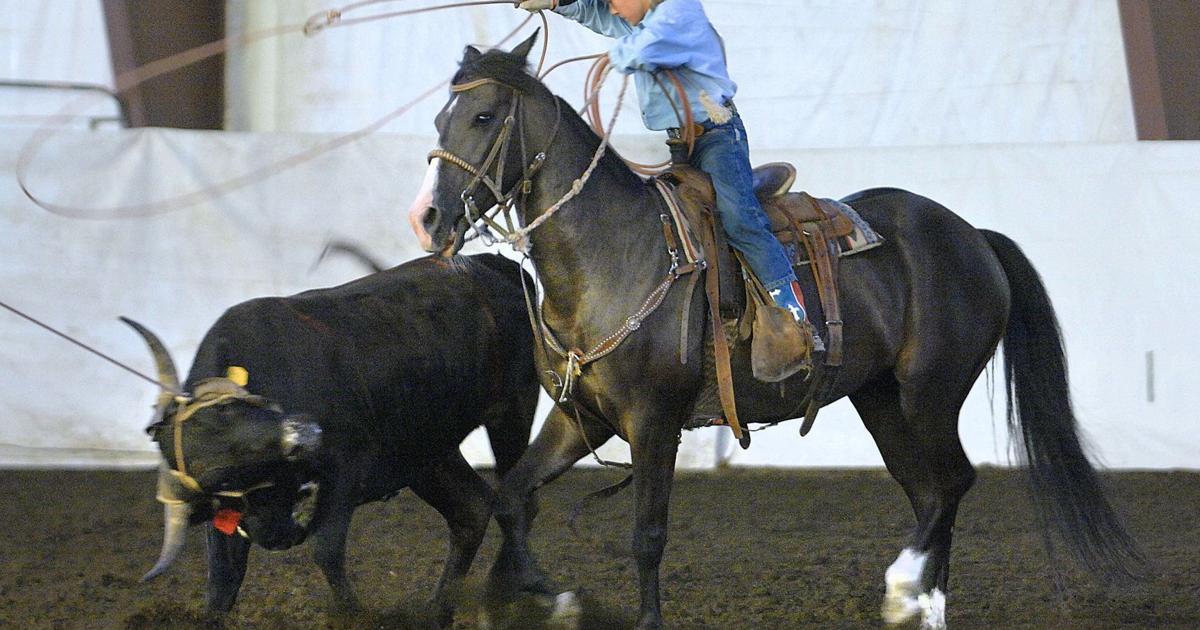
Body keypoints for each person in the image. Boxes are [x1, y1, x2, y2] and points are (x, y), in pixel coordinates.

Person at [516, 0, 822, 350]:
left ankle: (793, 311)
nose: (613, 11)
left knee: (740, 219)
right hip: (681, 142)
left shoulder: (679, 12)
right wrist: (559, 2)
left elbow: (642, 49)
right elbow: (597, 14)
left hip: (718, 137)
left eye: (615, 1)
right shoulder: (642, 18)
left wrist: (614, 55)